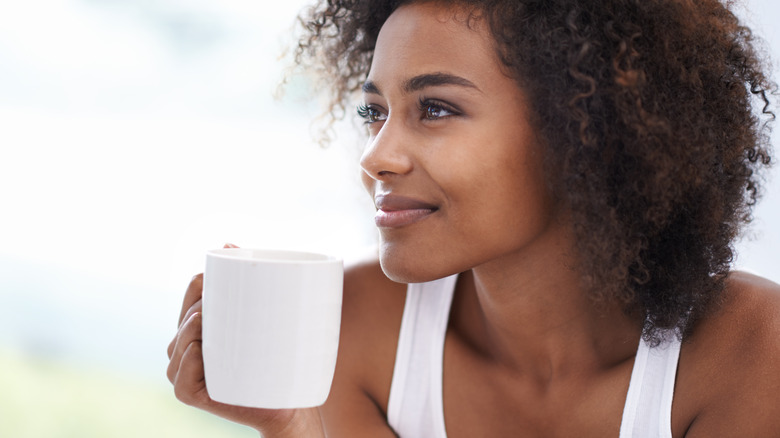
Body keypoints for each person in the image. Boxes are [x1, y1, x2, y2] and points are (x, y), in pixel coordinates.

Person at [166, 0, 780, 436]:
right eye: (373, 111)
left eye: (434, 108)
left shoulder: (753, 354)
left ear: (587, 130)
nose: (376, 156)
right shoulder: (352, 328)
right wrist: (292, 427)